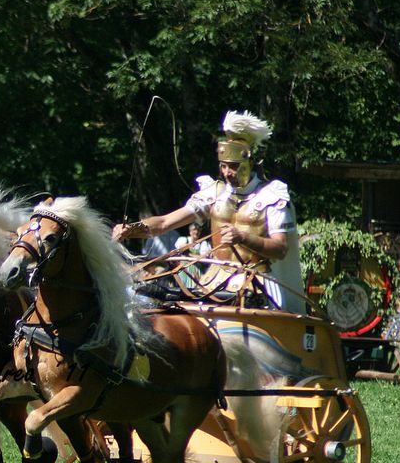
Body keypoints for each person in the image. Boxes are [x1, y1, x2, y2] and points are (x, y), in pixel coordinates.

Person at [112, 110, 305, 314]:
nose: (226, 173)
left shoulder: (271, 196)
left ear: (249, 164)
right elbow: (164, 223)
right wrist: (133, 228)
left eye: (233, 166)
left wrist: (243, 237)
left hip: (258, 284)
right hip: (213, 282)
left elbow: (280, 249)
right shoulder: (214, 194)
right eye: (223, 166)